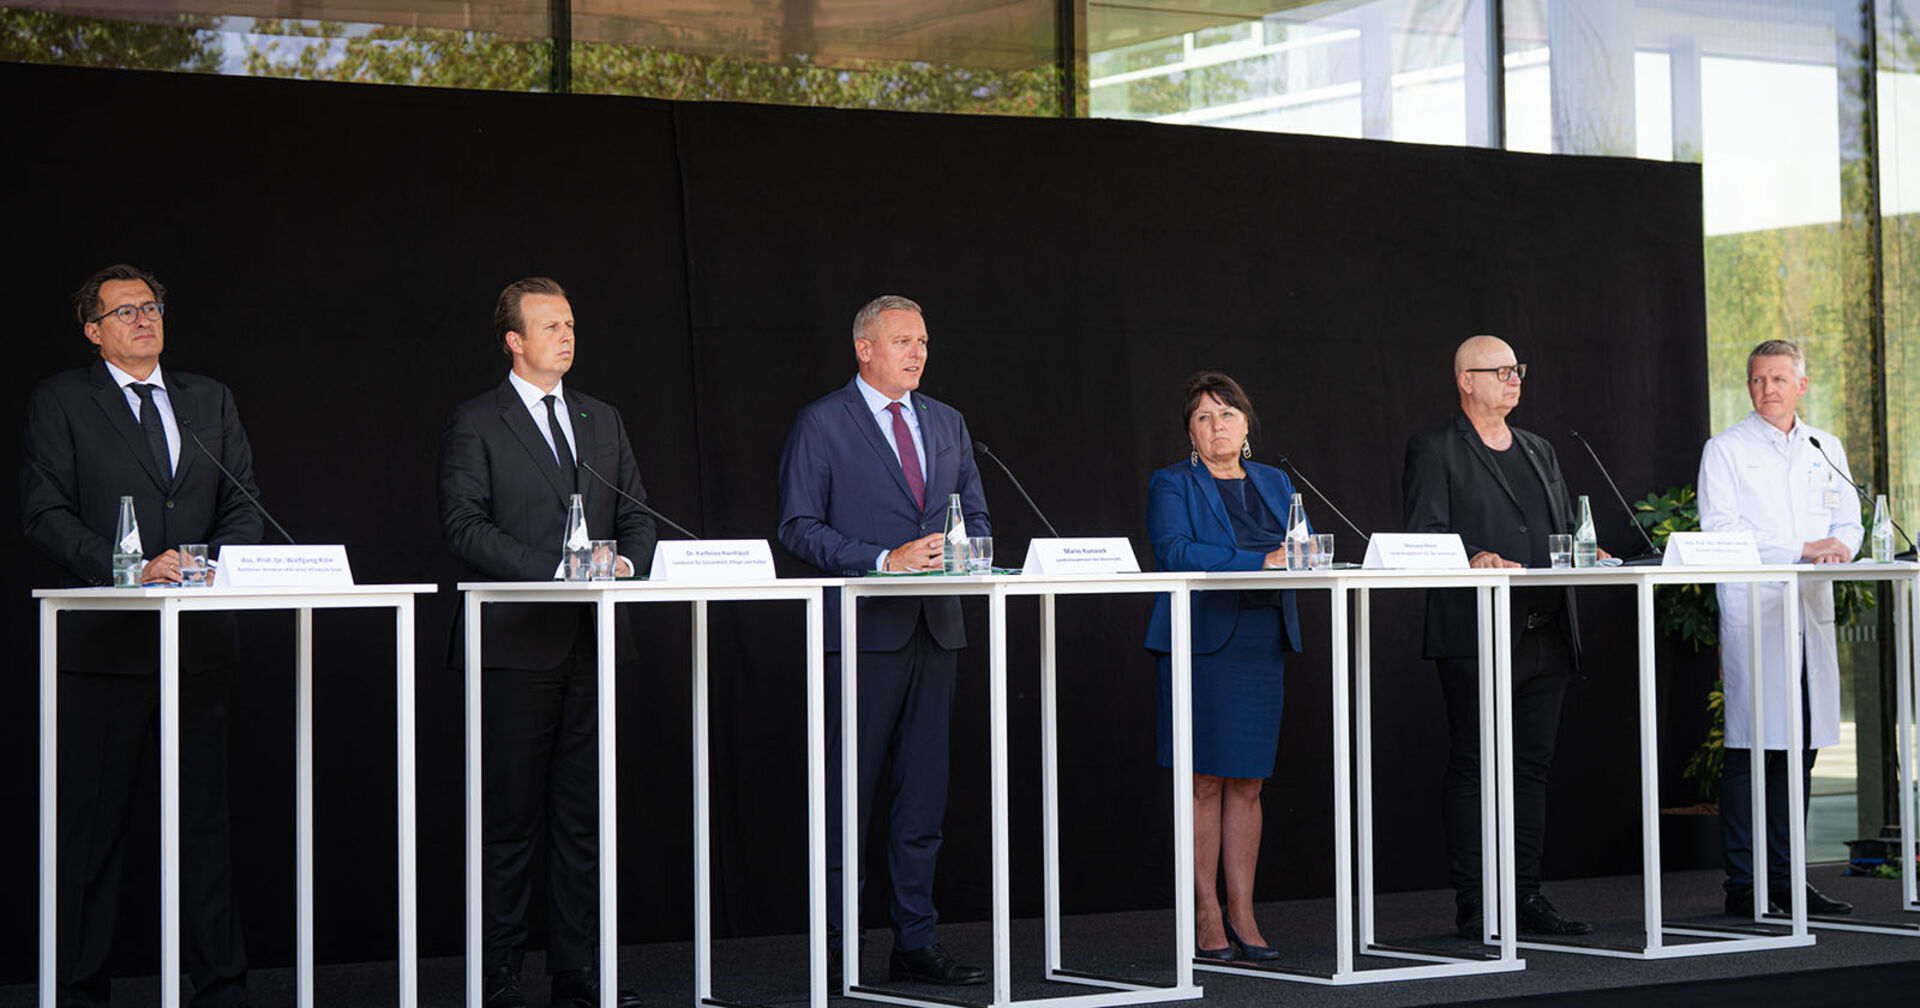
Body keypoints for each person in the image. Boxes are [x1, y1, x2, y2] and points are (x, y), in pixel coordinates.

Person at [22, 264, 263, 1007]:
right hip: (105, 649)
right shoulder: (63, 400)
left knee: (206, 824)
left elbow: (244, 506)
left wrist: (201, 564)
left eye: (151, 306)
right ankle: (79, 989)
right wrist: (126, 567)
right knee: (91, 832)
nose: (143, 319)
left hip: (197, 645)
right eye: (124, 311)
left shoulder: (207, 399)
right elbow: (44, 512)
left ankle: (221, 987)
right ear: (94, 332)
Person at [439, 277, 658, 1008]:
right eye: (549, 326)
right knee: (508, 820)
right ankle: (498, 974)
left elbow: (637, 518)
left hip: (591, 644)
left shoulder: (601, 418)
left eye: (569, 323)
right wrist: (557, 572)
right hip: (512, 647)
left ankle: (578, 971)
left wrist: (622, 562)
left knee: (582, 818)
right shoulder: (478, 420)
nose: (566, 336)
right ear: (513, 340)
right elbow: (464, 526)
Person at [777, 295, 989, 985]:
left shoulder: (949, 422)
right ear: (864, 350)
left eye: (923, 340)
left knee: (924, 796)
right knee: (849, 794)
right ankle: (838, 946)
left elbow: (978, 516)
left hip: (938, 626)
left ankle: (914, 942)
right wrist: (882, 559)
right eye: (902, 340)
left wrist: (971, 550)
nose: (918, 352)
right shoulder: (822, 422)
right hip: (862, 631)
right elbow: (798, 526)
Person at [1401, 334, 1594, 939]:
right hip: (1476, 632)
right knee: (1476, 764)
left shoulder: (1538, 448)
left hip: (1546, 631)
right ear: (1466, 380)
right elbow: (1423, 535)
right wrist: (1475, 555)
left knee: (1531, 768)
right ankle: (1476, 903)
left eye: (1518, 370)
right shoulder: (1435, 449)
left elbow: (1562, 529)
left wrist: (1589, 552)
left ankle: (1526, 896)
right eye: (1500, 371)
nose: (1514, 379)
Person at [1696, 338, 1859, 917]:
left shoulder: (1825, 446)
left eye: (1778, 380)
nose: (1767, 389)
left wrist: (1841, 544)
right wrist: (1800, 548)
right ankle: (1745, 884)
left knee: (1801, 749)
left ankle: (1789, 880)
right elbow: (1720, 529)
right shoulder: (1726, 450)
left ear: (1801, 386)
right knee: (1751, 750)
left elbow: (1849, 521)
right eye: (1758, 380)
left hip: (1807, 611)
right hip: (1756, 610)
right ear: (1749, 387)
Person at [1143, 371, 1303, 961]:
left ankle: (1243, 910)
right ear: (1191, 430)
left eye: (1228, 414)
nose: (1218, 427)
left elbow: (1302, 548)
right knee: (1203, 781)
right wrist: (1261, 559)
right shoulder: (1171, 483)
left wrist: (1294, 558)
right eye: (1205, 417)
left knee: (1250, 783)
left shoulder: (1275, 480)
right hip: (1202, 644)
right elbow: (1176, 551)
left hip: (1262, 641)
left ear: (1246, 423)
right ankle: (1205, 911)